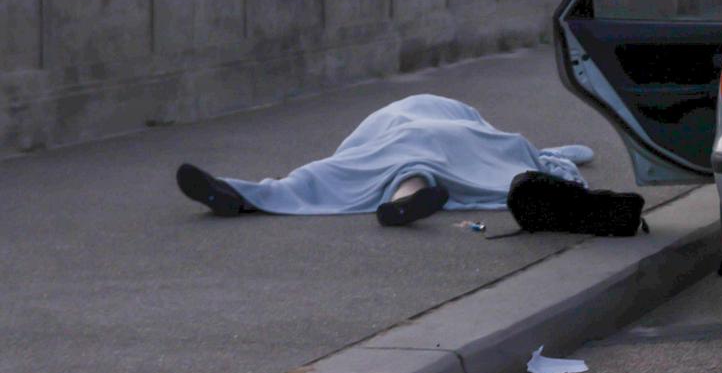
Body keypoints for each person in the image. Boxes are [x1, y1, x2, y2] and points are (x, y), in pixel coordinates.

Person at [173, 95, 598, 228]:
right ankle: (400, 200)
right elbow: (540, 150)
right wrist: (550, 159)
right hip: (436, 138)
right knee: (414, 164)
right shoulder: (466, 120)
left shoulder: (403, 114)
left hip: (389, 137)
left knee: (323, 175)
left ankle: (243, 191)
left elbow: (354, 145)